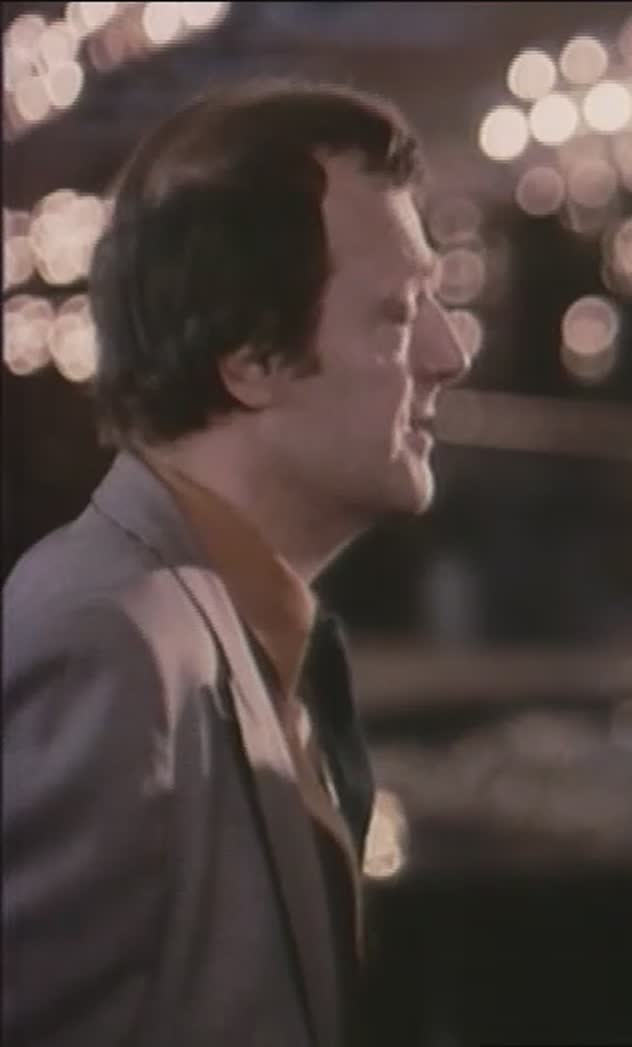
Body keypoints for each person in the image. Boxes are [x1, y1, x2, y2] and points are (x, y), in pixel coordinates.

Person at [2, 78, 470, 1047]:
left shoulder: (214, 625)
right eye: (396, 313)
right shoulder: (109, 642)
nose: (447, 352)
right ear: (249, 358)